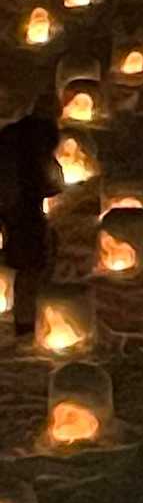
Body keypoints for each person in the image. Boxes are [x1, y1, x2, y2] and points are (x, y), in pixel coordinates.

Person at [0, 90, 61, 338]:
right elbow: (51, 182)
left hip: (10, 207)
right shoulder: (38, 140)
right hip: (22, 211)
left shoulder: (11, 135)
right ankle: (25, 323)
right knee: (30, 265)